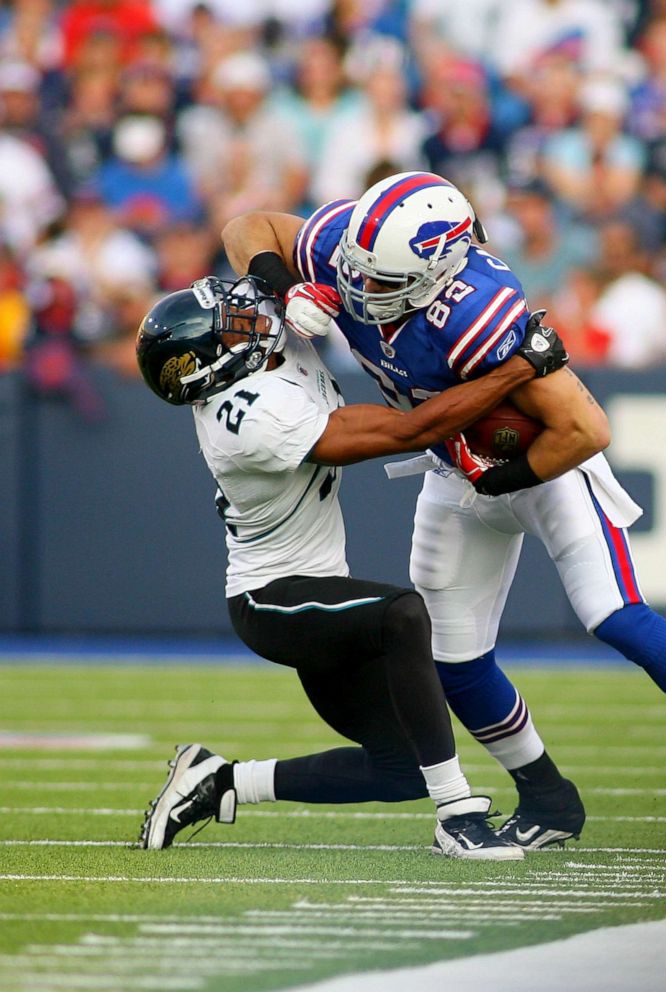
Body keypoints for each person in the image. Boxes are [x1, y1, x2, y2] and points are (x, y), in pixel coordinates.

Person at [221, 170, 666, 847]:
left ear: (435, 274)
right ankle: (546, 799)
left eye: (381, 283)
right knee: (449, 660)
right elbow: (250, 228)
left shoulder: (477, 311)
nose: (359, 293)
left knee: (614, 616)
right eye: (353, 272)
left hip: (543, 469)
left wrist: (504, 476)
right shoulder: (351, 245)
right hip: (455, 468)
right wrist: (283, 281)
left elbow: (585, 429)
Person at [135, 270, 569, 859]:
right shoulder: (248, 419)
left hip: (319, 591)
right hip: (273, 600)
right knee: (404, 615)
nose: (251, 321)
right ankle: (459, 815)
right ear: (214, 366)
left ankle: (221, 781)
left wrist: (281, 271)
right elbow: (417, 429)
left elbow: (250, 229)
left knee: (401, 770)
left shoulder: (262, 355)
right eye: (231, 327)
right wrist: (518, 367)